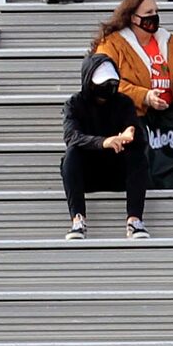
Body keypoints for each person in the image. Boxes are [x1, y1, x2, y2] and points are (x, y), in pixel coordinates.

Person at [91, 0, 173, 187]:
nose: (154, 16)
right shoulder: (112, 45)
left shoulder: (171, 42)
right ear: (133, 17)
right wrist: (145, 96)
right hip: (133, 112)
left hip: (169, 111)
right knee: (144, 141)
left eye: (156, 10)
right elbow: (108, 84)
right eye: (148, 12)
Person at [60, 53, 149, 241]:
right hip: (88, 174)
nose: (108, 88)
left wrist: (130, 133)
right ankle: (78, 220)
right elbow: (71, 136)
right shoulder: (74, 104)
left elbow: (137, 135)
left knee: (137, 155)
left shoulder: (123, 103)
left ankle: (134, 220)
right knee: (71, 155)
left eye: (112, 83)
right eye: (103, 84)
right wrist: (103, 142)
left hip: (118, 173)